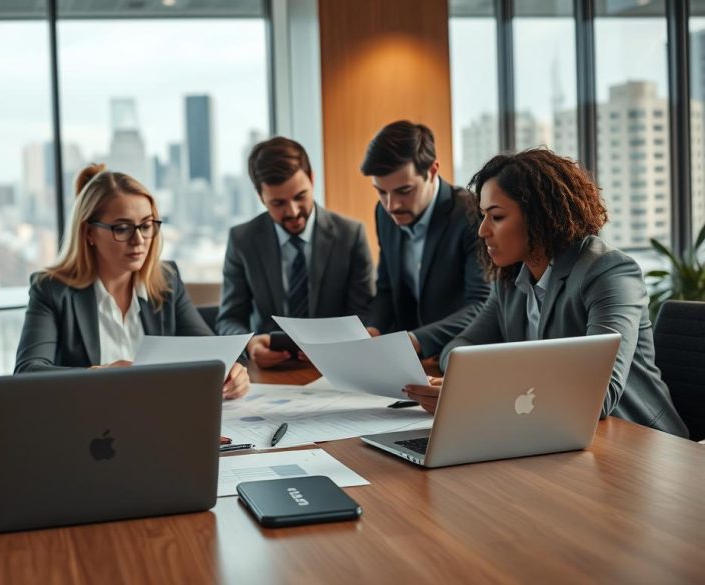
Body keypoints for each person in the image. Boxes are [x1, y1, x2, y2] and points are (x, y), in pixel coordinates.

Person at [404, 149, 689, 438]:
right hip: (550, 433)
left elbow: (598, 397)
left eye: (497, 217)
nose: (482, 231)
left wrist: (477, 391)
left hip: (639, 443)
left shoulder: (608, 273)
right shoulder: (510, 279)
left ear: (540, 217)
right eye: (482, 216)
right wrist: (467, 387)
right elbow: (457, 350)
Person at [15, 164, 249, 400]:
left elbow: (212, 353)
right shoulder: (51, 289)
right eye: (123, 228)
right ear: (89, 233)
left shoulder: (166, 280)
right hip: (89, 422)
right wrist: (100, 374)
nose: (139, 240)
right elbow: (27, 373)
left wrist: (234, 373)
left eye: (146, 226)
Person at [216, 136, 376, 368]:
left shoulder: (350, 235)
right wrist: (250, 345)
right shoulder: (242, 240)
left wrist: (333, 348)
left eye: (300, 197)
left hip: (336, 368)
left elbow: (364, 315)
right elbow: (229, 319)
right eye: (278, 203)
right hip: (270, 373)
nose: (292, 212)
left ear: (312, 180)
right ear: (261, 197)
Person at [360, 120, 489, 358]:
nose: (392, 205)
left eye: (404, 191)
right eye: (381, 191)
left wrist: (415, 340)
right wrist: (372, 330)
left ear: (432, 171)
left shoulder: (471, 213)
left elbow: (481, 304)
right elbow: (387, 289)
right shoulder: (383, 213)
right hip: (408, 360)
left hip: (459, 355)